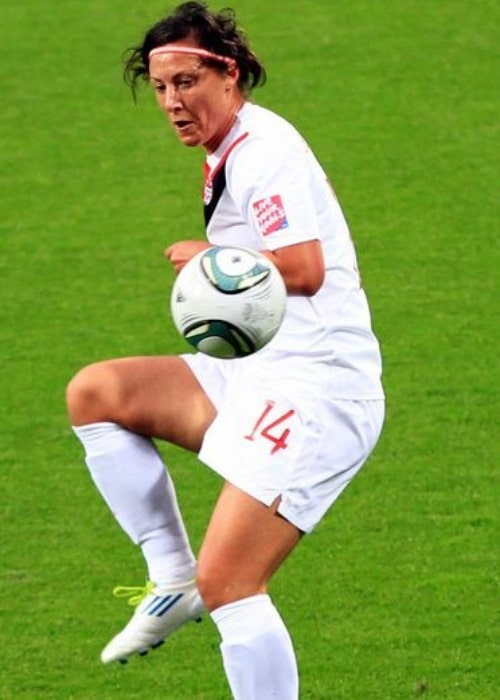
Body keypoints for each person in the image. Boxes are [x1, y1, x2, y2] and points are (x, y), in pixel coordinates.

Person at [66, 2, 385, 698]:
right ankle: (170, 574)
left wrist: (214, 256)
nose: (173, 103)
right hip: (261, 374)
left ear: (228, 73)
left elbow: (304, 269)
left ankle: (199, 586)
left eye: (186, 82)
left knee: (233, 583)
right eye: (160, 88)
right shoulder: (230, 147)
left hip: (319, 392)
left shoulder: (265, 153)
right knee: (97, 394)